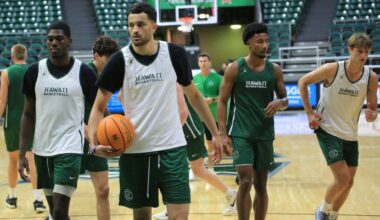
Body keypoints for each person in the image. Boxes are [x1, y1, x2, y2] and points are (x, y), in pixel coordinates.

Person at [87, 3, 222, 220]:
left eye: (140, 24)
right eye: (131, 25)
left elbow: (194, 97)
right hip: (135, 151)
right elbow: (97, 107)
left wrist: (216, 133)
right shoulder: (119, 61)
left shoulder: (174, 54)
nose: (135, 30)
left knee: (179, 216)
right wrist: (94, 145)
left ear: (153, 26)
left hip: (173, 148)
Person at [18, 21, 98, 220]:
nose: (54, 42)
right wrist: (22, 154)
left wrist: (100, 139)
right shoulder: (34, 71)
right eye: (50, 39)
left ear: (69, 41)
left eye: (59, 38)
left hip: (70, 148)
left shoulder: (84, 72)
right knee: (56, 214)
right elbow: (28, 114)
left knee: (61, 209)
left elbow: (98, 109)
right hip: (42, 149)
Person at [298, 33, 378, 220]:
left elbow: (372, 110)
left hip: (350, 133)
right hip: (327, 129)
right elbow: (303, 82)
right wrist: (309, 112)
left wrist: (372, 115)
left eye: (366, 52)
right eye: (359, 51)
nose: (363, 56)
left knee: (349, 183)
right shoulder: (332, 69)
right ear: (350, 50)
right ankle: (322, 211)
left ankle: (333, 215)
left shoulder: (371, 77)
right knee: (342, 178)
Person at [217, 22, 288, 220]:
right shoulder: (235, 69)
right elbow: (222, 101)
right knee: (245, 182)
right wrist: (223, 134)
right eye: (260, 41)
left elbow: (286, 100)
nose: (265, 45)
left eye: (266, 41)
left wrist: (279, 103)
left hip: (264, 133)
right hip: (241, 132)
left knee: (261, 185)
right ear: (249, 42)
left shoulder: (274, 70)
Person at [153, 95, 237, 220]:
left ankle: (230, 194)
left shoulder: (176, 82)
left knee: (198, 170)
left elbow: (184, 111)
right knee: (174, 169)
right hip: (180, 132)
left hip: (190, 132)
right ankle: (169, 208)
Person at [0, 44, 46, 213]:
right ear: (25, 55)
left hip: (12, 122)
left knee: (13, 161)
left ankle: (12, 197)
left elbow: (2, 101)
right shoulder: (34, 71)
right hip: (32, 122)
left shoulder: (6, 73)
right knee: (32, 161)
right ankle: (38, 200)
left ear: (12, 56)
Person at [80, 35, 119, 220]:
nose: (111, 65)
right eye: (107, 60)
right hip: (74, 138)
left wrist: (117, 128)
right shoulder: (81, 73)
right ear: (95, 55)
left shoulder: (105, 77)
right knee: (63, 190)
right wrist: (85, 130)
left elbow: (101, 109)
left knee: (103, 190)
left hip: (94, 139)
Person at [193, 53, 224, 171]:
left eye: (205, 61)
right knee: (198, 142)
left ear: (210, 63)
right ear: (198, 64)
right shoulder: (194, 79)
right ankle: (198, 167)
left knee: (211, 142)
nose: (203, 63)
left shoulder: (218, 78)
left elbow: (223, 97)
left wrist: (213, 99)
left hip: (213, 116)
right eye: (201, 61)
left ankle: (211, 168)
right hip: (198, 117)